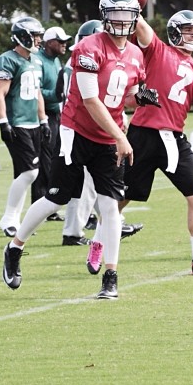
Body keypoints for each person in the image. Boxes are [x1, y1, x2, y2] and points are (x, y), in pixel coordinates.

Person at [2, 0, 148, 300]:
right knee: (56, 198)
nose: (122, 21)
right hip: (76, 132)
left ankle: (111, 276)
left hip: (108, 138)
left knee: (110, 207)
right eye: (116, 14)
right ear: (105, 16)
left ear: (135, 18)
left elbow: (127, 95)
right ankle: (15, 248)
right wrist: (122, 136)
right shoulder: (88, 47)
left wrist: (148, 97)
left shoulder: (136, 54)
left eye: (127, 15)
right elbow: (92, 100)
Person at [95, 9, 193, 277]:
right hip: (144, 135)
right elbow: (141, 26)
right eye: (188, 30)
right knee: (121, 197)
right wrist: (131, 2)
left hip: (175, 139)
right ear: (174, 32)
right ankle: (99, 244)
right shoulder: (158, 50)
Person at [59, 20, 144, 247]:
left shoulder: (122, 57)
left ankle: (108, 222)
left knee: (100, 184)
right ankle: (74, 231)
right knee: (83, 184)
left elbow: (122, 96)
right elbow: (86, 99)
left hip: (101, 124)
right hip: (81, 127)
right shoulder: (86, 57)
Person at [0, 16, 51, 237]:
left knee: (24, 173)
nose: (39, 41)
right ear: (24, 36)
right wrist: (3, 122)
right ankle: (8, 218)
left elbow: (36, 92)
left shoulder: (35, 61)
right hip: (17, 124)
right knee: (30, 172)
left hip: (34, 123)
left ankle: (15, 220)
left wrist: (44, 119)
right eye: (36, 36)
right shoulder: (7, 60)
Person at [32, 26, 72, 221]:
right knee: (45, 161)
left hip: (56, 115)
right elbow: (36, 90)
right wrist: (56, 96)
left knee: (54, 160)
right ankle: (43, 204)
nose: (64, 44)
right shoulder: (38, 60)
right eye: (60, 41)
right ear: (49, 43)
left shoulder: (55, 60)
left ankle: (49, 205)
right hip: (43, 115)